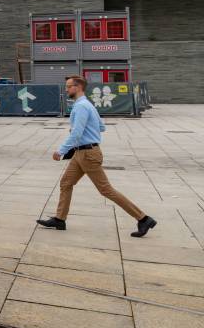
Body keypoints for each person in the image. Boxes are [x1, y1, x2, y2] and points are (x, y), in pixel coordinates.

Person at [37, 75, 156, 237]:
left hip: (88, 154)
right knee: (66, 183)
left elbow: (77, 133)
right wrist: (87, 132)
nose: (66, 89)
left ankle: (143, 218)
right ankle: (60, 219)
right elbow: (101, 127)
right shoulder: (87, 105)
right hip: (81, 153)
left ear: (78, 87)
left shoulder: (81, 107)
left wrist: (61, 150)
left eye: (68, 86)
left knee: (105, 189)